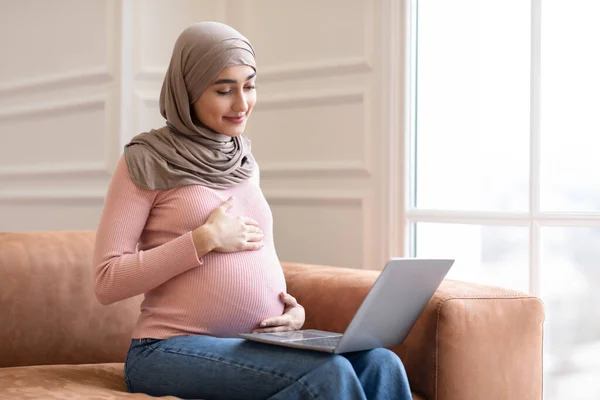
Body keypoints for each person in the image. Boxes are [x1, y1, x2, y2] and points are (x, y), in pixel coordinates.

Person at [93, 21, 413, 400]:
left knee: (381, 363)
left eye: (249, 85)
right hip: (166, 350)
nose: (242, 103)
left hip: (251, 343)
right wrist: (203, 239)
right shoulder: (145, 160)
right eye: (224, 90)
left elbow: (258, 259)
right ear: (188, 90)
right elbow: (107, 281)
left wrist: (291, 314)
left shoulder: (242, 157)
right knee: (330, 373)